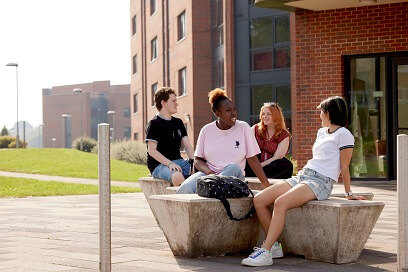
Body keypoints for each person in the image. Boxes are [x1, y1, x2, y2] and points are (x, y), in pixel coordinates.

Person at [241, 96, 366, 267]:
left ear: (329, 113)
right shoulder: (322, 132)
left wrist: (348, 193)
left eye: (321, 111)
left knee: (280, 203)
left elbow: (344, 167)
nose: (319, 115)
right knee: (260, 200)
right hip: (304, 175)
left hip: (321, 181)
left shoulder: (344, 135)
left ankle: (266, 251)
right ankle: (275, 246)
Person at [177, 88, 270, 194]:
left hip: (234, 176)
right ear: (217, 113)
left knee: (233, 167)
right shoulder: (206, 130)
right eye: (228, 111)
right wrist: (209, 173)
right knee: (185, 189)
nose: (234, 113)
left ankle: (212, 187)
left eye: (234, 109)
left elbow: (253, 160)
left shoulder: (243, 128)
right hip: (209, 175)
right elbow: (197, 160)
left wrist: (267, 187)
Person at [145, 87, 194, 186]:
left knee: (202, 170)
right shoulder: (154, 124)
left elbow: (188, 146)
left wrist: (194, 163)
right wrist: (170, 164)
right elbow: (152, 151)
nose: (177, 103)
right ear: (163, 103)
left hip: (178, 162)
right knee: (177, 176)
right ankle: (186, 198)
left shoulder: (178, 122)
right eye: (173, 101)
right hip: (159, 165)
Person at [245, 102, 293, 179]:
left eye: (268, 114)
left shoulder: (284, 135)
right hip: (254, 163)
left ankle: (260, 175)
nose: (265, 116)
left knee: (286, 165)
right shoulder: (255, 129)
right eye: (263, 114)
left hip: (270, 165)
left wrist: (260, 166)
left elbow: (276, 157)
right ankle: (254, 173)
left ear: (276, 116)